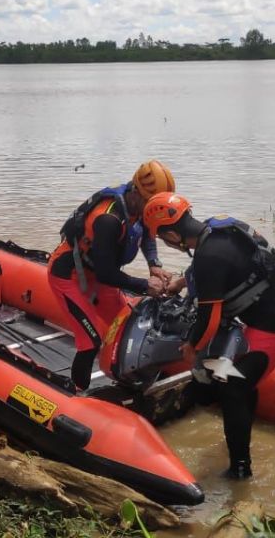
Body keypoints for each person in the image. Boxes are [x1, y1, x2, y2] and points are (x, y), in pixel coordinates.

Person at [144, 192, 275, 480]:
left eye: (162, 237)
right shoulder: (214, 231)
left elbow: (210, 317)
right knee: (239, 382)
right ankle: (243, 421)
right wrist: (181, 282)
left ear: (170, 234)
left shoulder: (208, 256)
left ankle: (241, 470)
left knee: (232, 387)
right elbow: (213, 270)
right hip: (269, 315)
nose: (165, 242)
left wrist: (191, 346)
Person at [46, 159, 176, 390]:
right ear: (137, 191)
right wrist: (145, 285)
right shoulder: (109, 219)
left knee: (128, 324)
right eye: (149, 202)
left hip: (97, 272)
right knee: (90, 340)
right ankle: (77, 394)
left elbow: (147, 235)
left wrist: (154, 264)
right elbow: (107, 274)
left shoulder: (139, 206)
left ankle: (132, 380)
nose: (151, 209)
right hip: (68, 275)